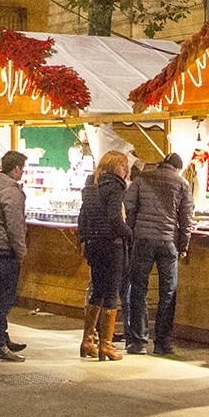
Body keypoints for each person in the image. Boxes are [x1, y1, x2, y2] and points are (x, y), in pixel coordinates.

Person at [123, 151, 191, 356]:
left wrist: (132, 234)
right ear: (177, 168)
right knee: (168, 293)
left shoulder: (142, 178)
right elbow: (186, 218)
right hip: (168, 242)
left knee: (138, 290)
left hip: (142, 240)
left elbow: (128, 207)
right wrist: (184, 245)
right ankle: (163, 343)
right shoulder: (182, 184)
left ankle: (139, 341)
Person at [76, 150, 130, 360]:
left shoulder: (90, 188)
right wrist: (129, 234)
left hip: (94, 245)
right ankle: (106, 345)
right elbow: (115, 219)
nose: (126, 170)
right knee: (111, 293)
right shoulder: (115, 187)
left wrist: (86, 238)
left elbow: (82, 219)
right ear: (114, 167)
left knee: (97, 291)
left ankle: (88, 341)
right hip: (112, 245)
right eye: (123, 165)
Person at [0, 150, 29, 362]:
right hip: (4, 248)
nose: (23, 172)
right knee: (4, 298)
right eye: (22, 168)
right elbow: (15, 226)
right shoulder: (11, 192)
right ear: (16, 168)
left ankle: (3, 336)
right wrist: (21, 252)